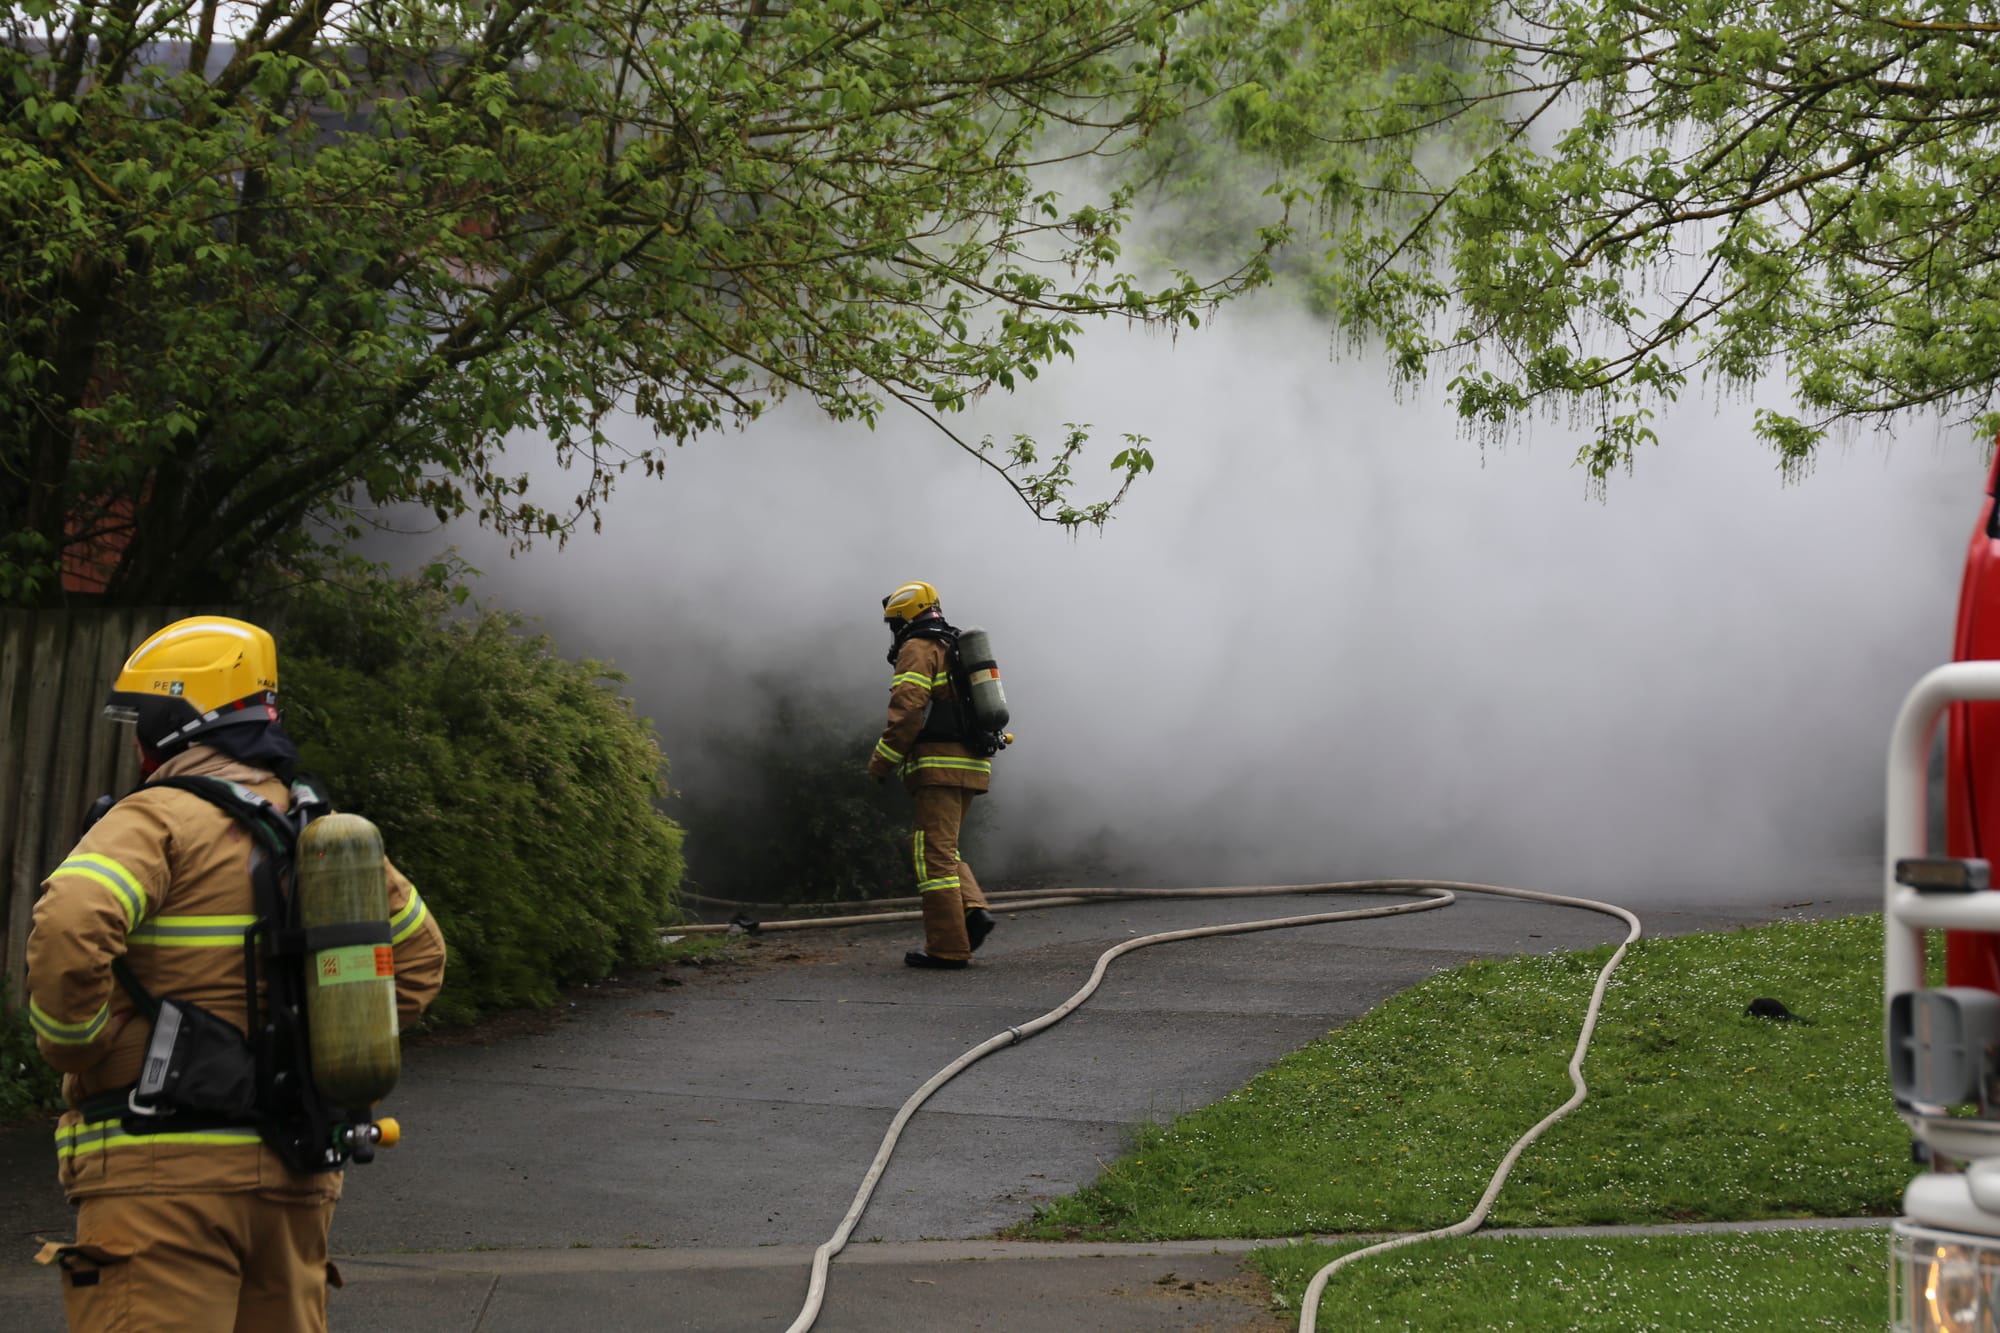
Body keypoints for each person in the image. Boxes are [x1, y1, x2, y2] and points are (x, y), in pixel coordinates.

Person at [25, 615, 447, 1332]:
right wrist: (322, 1046)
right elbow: (419, 959)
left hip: (161, 1184)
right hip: (295, 1176)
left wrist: (79, 1042)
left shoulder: (157, 817)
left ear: (175, 721)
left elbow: (71, 916)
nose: (134, 741)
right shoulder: (321, 834)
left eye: (143, 719)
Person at [869, 581, 998, 969]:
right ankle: (972, 912)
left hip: (939, 766)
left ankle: (948, 948)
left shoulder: (918, 648)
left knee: (933, 860)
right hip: (971, 763)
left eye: (895, 621)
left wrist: (881, 762)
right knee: (945, 849)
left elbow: (907, 711)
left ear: (906, 616)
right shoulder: (953, 645)